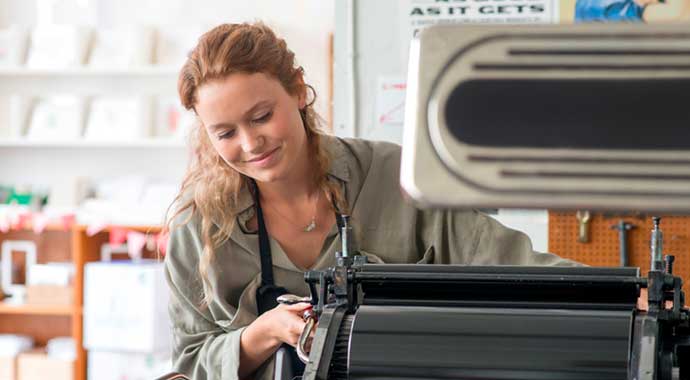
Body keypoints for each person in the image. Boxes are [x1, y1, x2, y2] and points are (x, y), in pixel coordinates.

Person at [164, 22, 577, 380]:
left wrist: (626, 293)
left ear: (297, 90)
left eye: (261, 117)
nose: (251, 143)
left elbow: (507, 259)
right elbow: (189, 361)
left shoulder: (394, 175)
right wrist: (264, 333)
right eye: (225, 133)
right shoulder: (196, 227)